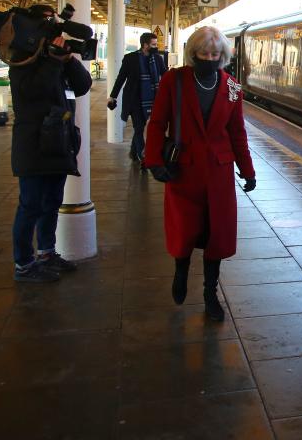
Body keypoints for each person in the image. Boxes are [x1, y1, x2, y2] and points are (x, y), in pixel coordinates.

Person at [144, 27, 256, 322]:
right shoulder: (175, 80)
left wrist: (248, 170)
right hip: (183, 170)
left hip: (219, 173)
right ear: (193, 53)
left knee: (216, 234)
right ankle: (180, 273)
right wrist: (154, 160)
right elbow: (157, 123)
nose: (209, 58)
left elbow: (237, 133)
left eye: (214, 54)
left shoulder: (232, 87)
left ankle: (210, 293)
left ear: (223, 56)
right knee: (184, 230)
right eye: (203, 53)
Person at [9, 4, 93, 282]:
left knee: (52, 201)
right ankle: (24, 264)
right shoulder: (22, 58)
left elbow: (82, 86)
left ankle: (46, 252)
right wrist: (52, 61)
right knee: (30, 204)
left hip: (58, 141)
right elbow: (32, 92)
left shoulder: (56, 57)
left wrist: (68, 60)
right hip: (33, 145)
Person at [107, 32, 167, 166]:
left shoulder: (157, 59)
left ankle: (134, 152)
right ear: (145, 45)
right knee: (139, 127)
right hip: (134, 100)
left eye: (156, 44)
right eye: (153, 44)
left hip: (151, 99)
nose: (155, 47)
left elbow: (166, 76)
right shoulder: (130, 58)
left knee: (140, 127)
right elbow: (121, 78)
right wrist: (112, 96)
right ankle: (143, 157)